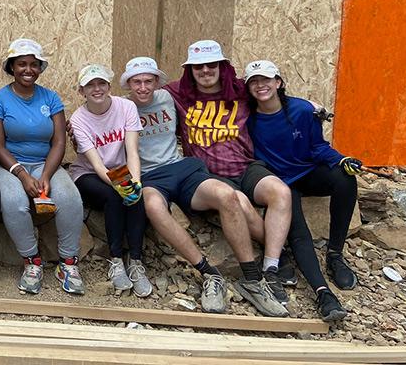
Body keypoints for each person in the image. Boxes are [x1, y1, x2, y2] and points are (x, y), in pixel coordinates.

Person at [121, 57, 287, 317]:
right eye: (136, 81)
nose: (143, 87)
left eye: (148, 81)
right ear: (127, 84)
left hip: (183, 167)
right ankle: (210, 273)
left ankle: (252, 279)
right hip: (150, 176)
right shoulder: (121, 107)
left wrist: (305, 104)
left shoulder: (167, 96)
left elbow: (264, 90)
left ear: (157, 82)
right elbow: (97, 115)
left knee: (227, 194)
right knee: (152, 205)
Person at [164, 40, 294, 305]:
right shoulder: (177, 92)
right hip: (209, 175)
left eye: (211, 64)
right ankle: (282, 255)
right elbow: (141, 95)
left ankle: (270, 267)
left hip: (246, 166)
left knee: (280, 191)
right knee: (242, 205)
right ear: (190, 70)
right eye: (198, 67)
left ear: (222, 66)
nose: (205, 71)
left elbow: (270, 93)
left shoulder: (239, 89)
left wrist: (310, 106)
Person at [245, 59, 357, 322]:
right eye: (254, 82)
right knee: (299, 233)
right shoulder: (246, 117)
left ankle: (335, 254)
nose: (261, 85)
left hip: (306, 172)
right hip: (280, 182)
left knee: (345, 179)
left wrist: (341, 159)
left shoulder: (301, 110)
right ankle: (324, 294)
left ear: (278, 82)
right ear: (248, 88)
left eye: (266, 79)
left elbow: (317, 147)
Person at [0, 39, 84, 295]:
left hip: (45, 164)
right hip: (8, 165)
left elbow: (59, 142)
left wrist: (46, 175)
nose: (28, 69)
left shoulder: (51, 98)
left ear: (40, 68)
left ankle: (68, 263)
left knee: (70, 198)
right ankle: (32, 261)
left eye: (34, 64)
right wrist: (21, 173)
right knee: (13, 201)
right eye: (21, 64)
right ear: (12, 67)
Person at [68, 64, 152, 297]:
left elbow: (132, 151)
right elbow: (97, 164)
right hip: (88, 174)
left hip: (121, 169)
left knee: (136, 194)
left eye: (101, 83)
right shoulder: (78, 120)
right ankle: (116, 260)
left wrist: (135, 182)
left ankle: (135, 261)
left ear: (109, 86)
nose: (97, 89)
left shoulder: (126, 107)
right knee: (116, 195)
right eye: (90, 85)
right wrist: (124, 187)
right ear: (81, 91)